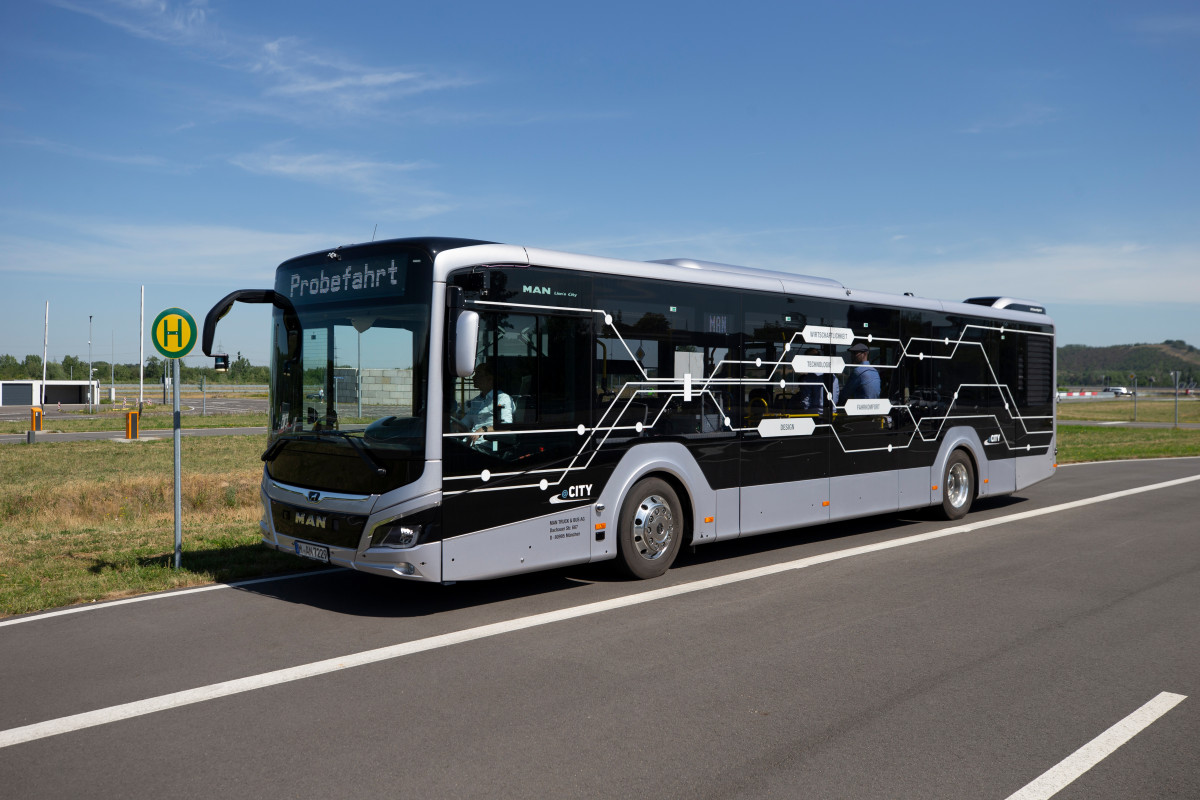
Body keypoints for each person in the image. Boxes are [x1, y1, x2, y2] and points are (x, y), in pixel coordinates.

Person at [454, 361, 513, 438]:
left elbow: (506, 426)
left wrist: (484, 430)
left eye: (478, 374)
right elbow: (466, 422)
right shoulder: (476, 400)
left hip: (489, 445)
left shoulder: (502, 398)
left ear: (490, 379)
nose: (473, 377)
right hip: (472, 443)